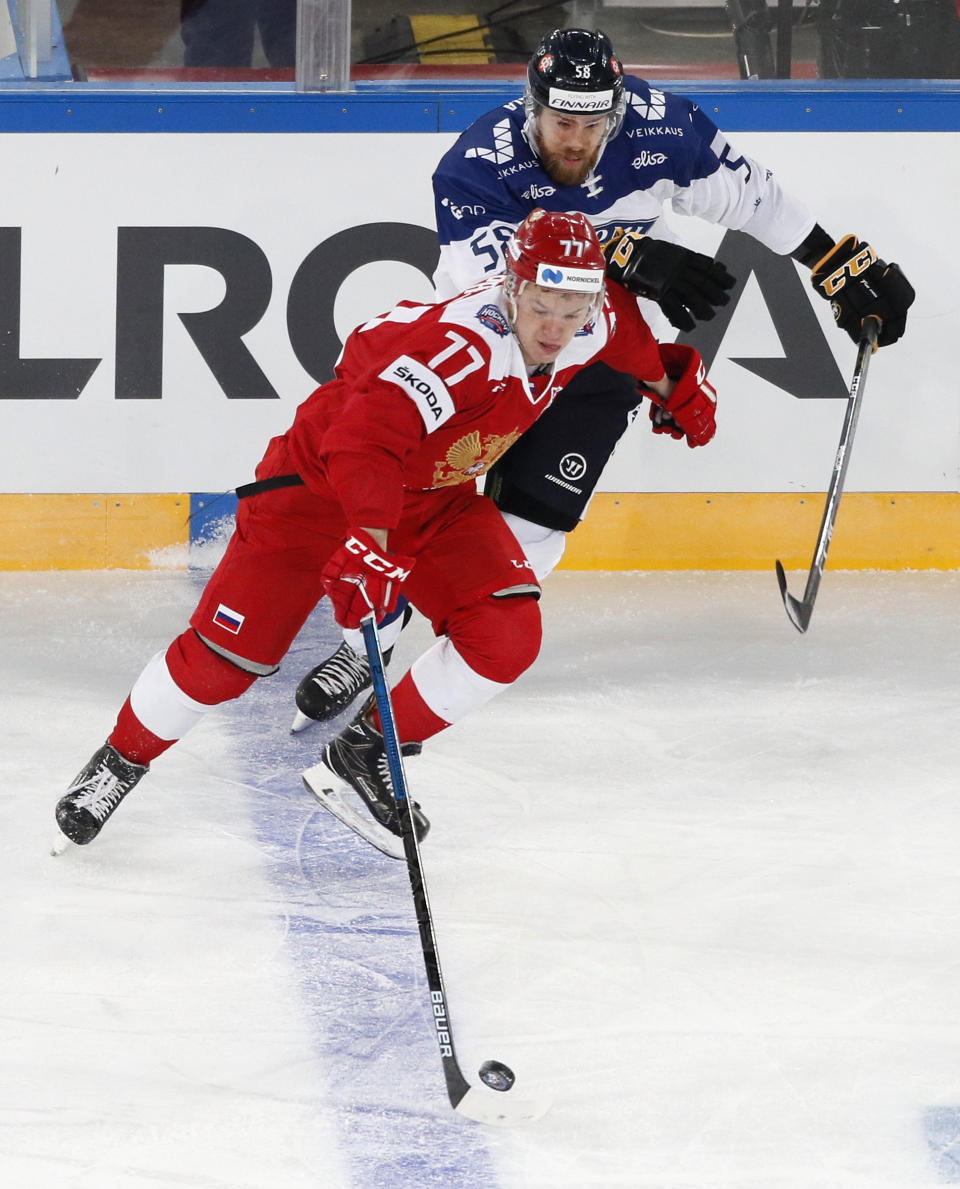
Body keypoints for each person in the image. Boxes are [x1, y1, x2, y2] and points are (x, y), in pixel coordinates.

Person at [291, 25, 915, 730]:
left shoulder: (662, 130)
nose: (577, 141)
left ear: (615, 115)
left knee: (540, 518)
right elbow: (498, 293)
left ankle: (452, 658)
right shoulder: (475, 162)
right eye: (562, 123)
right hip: (489, 361)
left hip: (595, 349)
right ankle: (364, 639)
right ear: (532, 110)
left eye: (592, 125)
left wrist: (831, 261)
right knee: (427, 500)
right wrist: (622, 253)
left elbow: (753, 198)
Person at [53, 209, 719, 858]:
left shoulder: (593, 319)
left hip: (431, 500)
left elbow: (627, 338)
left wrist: (671, 386)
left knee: (506, 631)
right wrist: (371, 542)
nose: (557, 327)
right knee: (226, 660)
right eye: (543, 304)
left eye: (573, 309)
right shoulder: (461, 350)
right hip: (315, 494)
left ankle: (366, 747)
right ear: (512, 285)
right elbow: (362, 440)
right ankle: (119, 759)